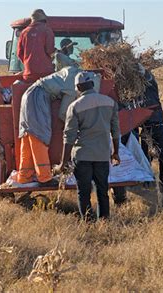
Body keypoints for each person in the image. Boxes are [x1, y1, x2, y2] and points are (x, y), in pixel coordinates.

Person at [54, 71, 120, 220]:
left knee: (83, 192)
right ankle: (104, 221)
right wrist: (116, 152)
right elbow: (115, 131)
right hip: (102, 155)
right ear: (92, 84)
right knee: (102, 190)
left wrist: (63, 162)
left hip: (82, 156)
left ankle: (88, 223)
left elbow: (69, 136)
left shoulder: (75, 106)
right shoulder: (110, 103)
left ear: (78, 87)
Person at [17, 60, 83, 186]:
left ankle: (24, 176)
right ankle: (44, 177)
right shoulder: (73, 84)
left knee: (28, 134)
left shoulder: (68, 72)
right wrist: (77, 128)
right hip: (38, 97)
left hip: (29, 95)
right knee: (39, 134)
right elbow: (63, 113)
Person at [137, 67, 163, 189]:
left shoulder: (152, 89)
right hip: (146, 130)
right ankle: (147, 182)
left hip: (159, 127)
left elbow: (150, 79)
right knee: (146, 158)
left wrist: (143, 70)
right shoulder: (136, 96)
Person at [16, 9, 55, 82]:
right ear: (44, 19)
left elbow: (19, 53)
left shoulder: (24, 32)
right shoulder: (47, 30)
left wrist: (28, 63)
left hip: (29, 74)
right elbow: (50, 50)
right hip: (46, 74)